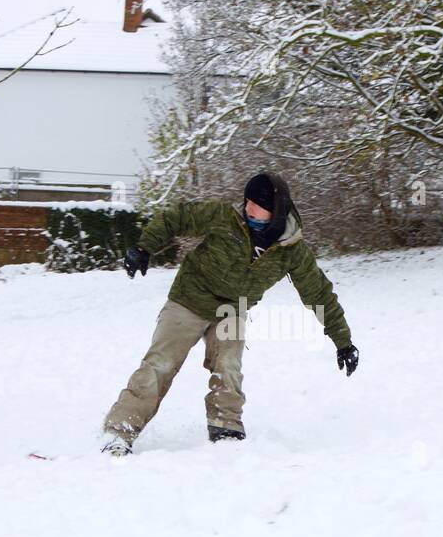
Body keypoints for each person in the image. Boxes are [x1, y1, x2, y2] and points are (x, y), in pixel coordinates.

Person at [101, 172, 358, 455]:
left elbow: (318, 293)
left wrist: (342, 340)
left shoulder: (292, 251)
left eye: (255, 204)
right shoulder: (224, 217)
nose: (247, 208)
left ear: (275, 211)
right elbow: (176, 217)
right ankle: (120, 431)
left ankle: (226, 429)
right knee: (159, 365)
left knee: (229, 368)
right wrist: (144, 247)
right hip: (189, 300)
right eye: (246, 201)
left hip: (231, 311)